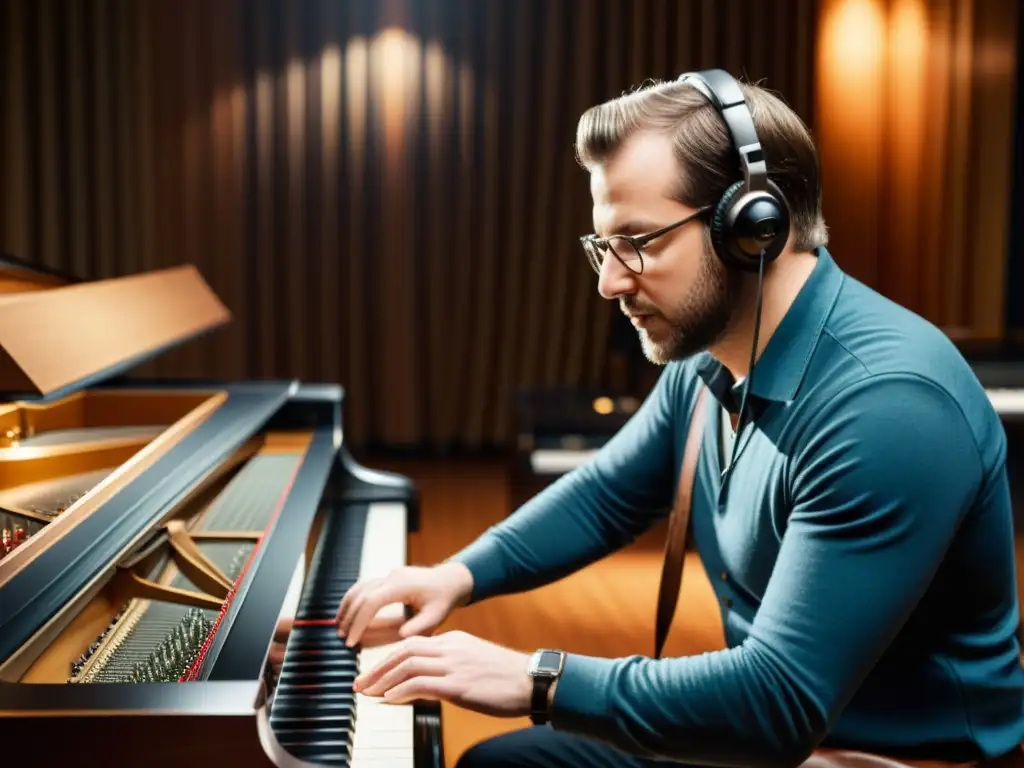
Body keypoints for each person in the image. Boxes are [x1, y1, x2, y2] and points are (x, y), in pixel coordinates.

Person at [335, 70, 1024, 767]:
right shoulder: (709, 359)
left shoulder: (887, 407)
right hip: (789, 734)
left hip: (888, 756)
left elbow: (777, 699)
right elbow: (608, 495)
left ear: (756, 227)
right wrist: (457, 576)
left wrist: (535, 678)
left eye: (639, 242)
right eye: (603, 245)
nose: (610, 282)